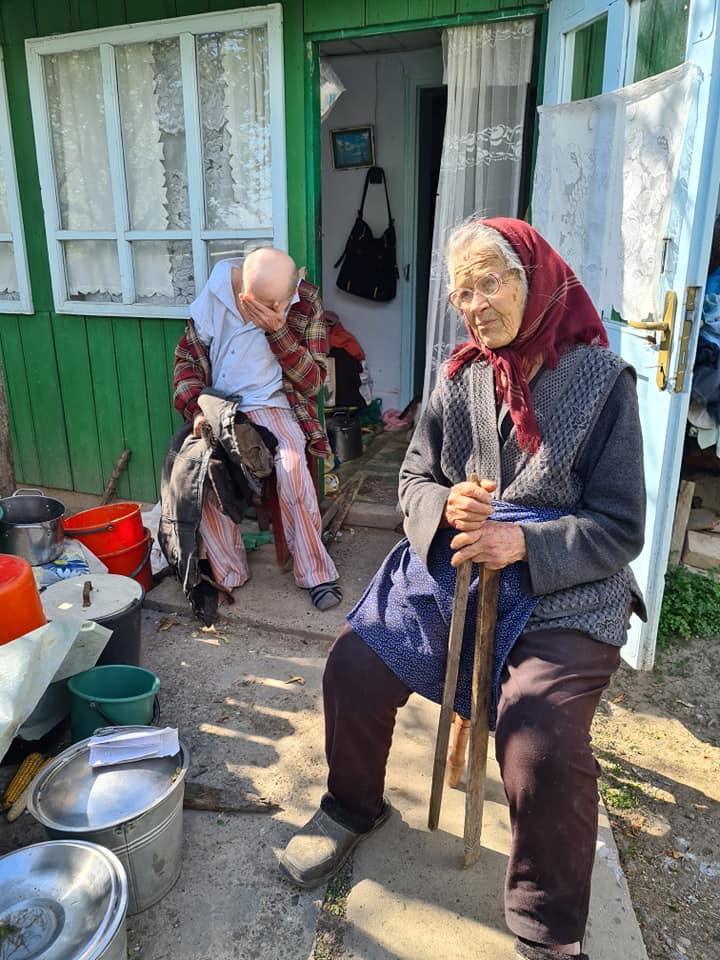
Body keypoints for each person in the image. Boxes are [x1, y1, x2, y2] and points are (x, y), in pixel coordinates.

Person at [279, 218, 647, 959]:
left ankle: (546, 927)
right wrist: (444, 506)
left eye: (489, 283)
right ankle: (351, 807)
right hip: (460, 562)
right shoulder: (457, 377)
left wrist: (526, 542)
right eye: (461, 293)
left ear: (534, 280)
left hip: (563, 586)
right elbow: (413, 478)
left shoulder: (603, 382)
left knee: (540, 735)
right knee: (353, 662)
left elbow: (620, 525)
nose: (474, 306)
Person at [172, 246, 341, 611]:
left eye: (283, 302)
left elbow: (313, 381)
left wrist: (278, 332)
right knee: (204, 474)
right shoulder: (214, 299)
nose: (280, 308)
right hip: (221, 405)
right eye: (268, 305)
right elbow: (186, 362)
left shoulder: (304, 301)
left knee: (293, 469)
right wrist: (196, 411)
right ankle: (228, 573)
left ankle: (315, 573)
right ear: (244, 296)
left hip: (274, 403)